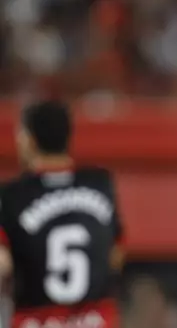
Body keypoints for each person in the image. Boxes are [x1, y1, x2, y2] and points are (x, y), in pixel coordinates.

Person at [0, 100, 125, 328]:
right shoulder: (100, 185)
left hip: (36, 321)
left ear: (30, 140)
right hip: (95, 321)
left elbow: (3, 264)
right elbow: (115, 256)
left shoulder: (12, 196)